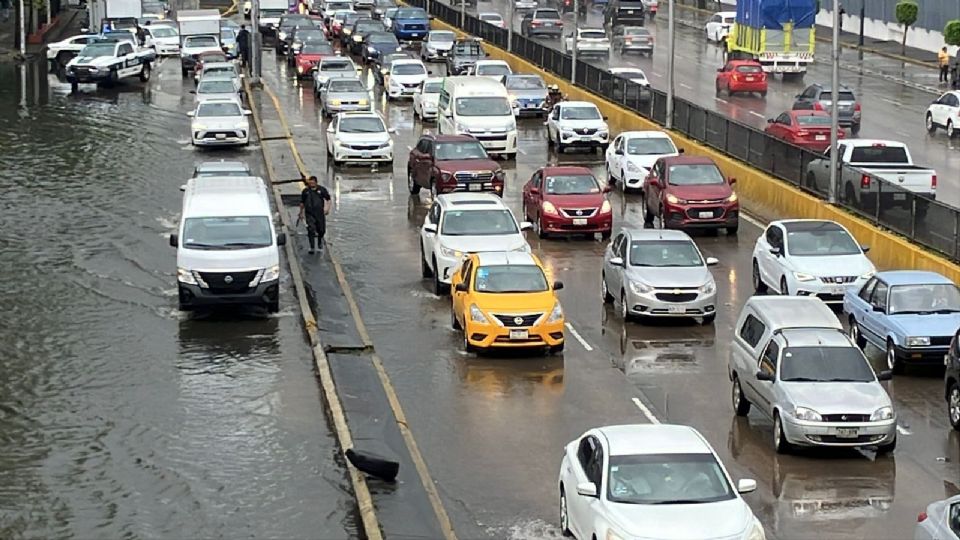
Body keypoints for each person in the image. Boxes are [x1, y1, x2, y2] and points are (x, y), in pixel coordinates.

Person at [299, 176, 331, 254]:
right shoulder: (305, 191)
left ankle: (320, 241)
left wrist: (327, 208)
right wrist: (301, 212)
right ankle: (312, 247)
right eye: (310, 183)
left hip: (319, 213)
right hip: (309, 213)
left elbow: (328, 199)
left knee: (321, 230)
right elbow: (302, 202)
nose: (311, 184)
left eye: (313, 183)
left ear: (316, 183)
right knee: (311, 229)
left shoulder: (322, 190)